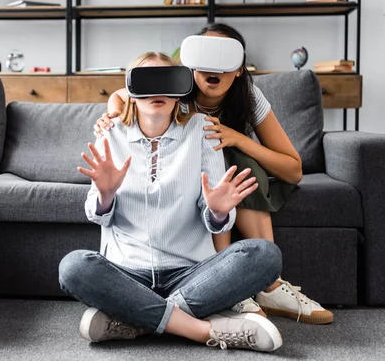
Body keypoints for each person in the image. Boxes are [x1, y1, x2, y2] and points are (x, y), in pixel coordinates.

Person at [93, 23, 333, 325]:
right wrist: (113, 115)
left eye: (224, 57)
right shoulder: (173, 88)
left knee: (237, 160)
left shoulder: (248, 96)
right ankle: (223, 283)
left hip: (238, 183)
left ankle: (271, 286)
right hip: (184, 184)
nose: (213, 67)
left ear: (238, 69)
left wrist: (238, 138)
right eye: (205, 56)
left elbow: (294, 170)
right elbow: (123, 94)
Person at [59, 52, 284, 352]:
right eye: (147, 83)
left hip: (191, 271)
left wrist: (217, 212)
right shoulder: (110, 134)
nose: (158, 93)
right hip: (127, 271)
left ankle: (136, 319)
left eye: (167, 83)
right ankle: (200, 329)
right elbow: (97, 215)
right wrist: (105, 195)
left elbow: (217, 219)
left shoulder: (203, 130)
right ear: (131, 93)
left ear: (180, 92)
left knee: (266, 255)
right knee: (73, 267)